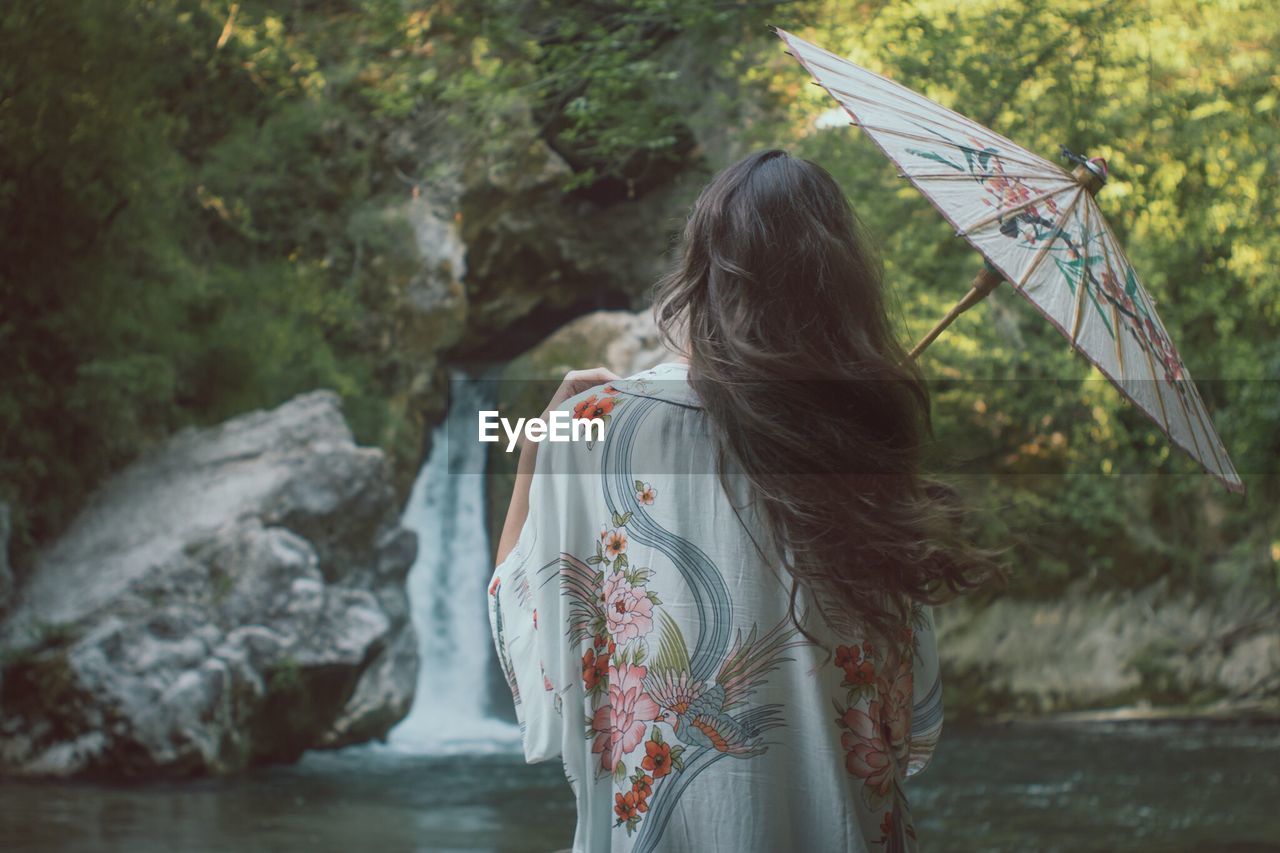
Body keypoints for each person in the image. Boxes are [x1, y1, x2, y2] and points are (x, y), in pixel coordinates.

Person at [488, 149, 999, 852]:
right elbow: (903, 721)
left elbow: (521, 612)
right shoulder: (865, 441)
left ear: (702, 270)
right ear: (841, 284)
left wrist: (534, 447)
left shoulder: (599, 424)